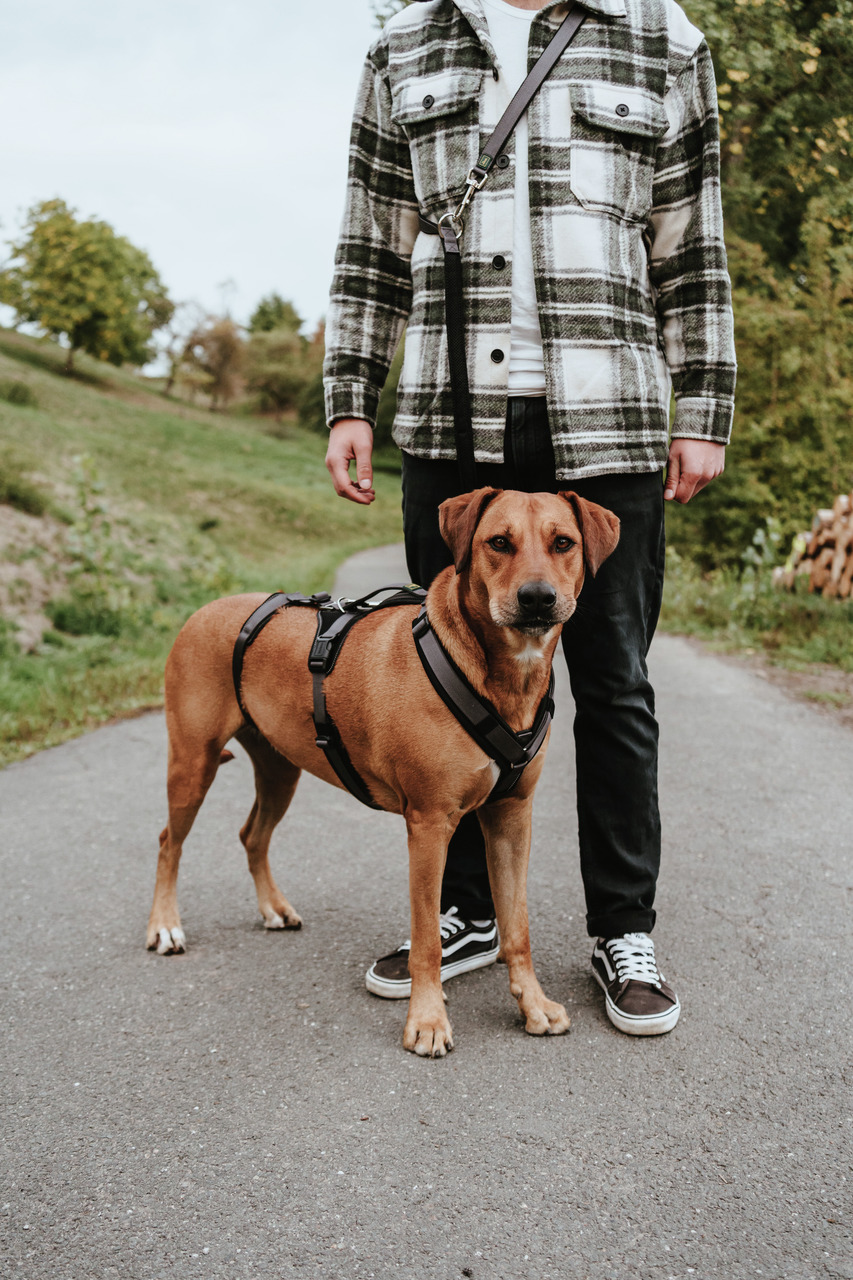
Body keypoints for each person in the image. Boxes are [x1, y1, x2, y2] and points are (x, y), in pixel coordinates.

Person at [322, 0, 735, 1035]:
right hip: (451, 411)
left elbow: (691, 242)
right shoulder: (403, 43)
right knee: (446, 677)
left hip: (610, 415)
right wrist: (349, 394)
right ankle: (466, 912)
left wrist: (703, 405)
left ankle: (622, 928)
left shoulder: (663, 38)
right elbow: (372, 235)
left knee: (614, 680)